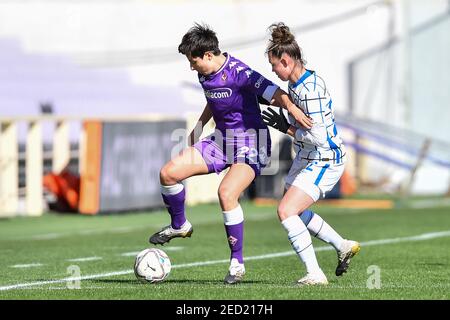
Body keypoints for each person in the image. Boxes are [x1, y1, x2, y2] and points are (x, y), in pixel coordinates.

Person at [149, 23, 312, 284]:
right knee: (168, 173)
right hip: (221, 141)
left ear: (209, 55)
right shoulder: (204, 75)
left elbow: (275, 92)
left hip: (251, 143)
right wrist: (198, 129)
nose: (192, 67)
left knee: (226, 193)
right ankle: (180, 225)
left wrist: (294, 112)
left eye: (193, 61)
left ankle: (237, 263)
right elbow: (214, 101)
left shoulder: (240, 73)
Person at [261, 22, 360, 285]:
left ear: (286, 60)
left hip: (324, 158)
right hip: (306, 156)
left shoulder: (311, 89)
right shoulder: (296, 85)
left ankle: (315, 274)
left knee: (286, 211)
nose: (272, 70)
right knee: (294, 209)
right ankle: (342, 245)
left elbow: (317, 137)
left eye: (274, 65)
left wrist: (288, 127)